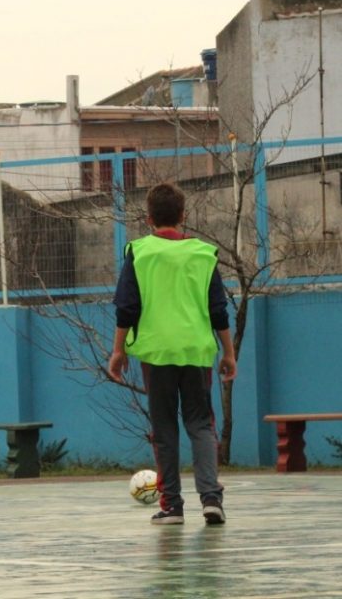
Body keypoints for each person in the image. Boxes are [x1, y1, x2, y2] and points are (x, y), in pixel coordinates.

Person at [107, 182, 237, 526]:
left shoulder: (139, 252)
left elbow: (127, 307)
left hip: (157, 352)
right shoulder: (203, 253)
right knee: (201, 424)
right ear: (183, 216)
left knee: (164, 428)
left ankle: (172, 506)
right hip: (195, 350)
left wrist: (118, 350)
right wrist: (228, 353)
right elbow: (218, 309)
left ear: (148, 218)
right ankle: (211, 498)